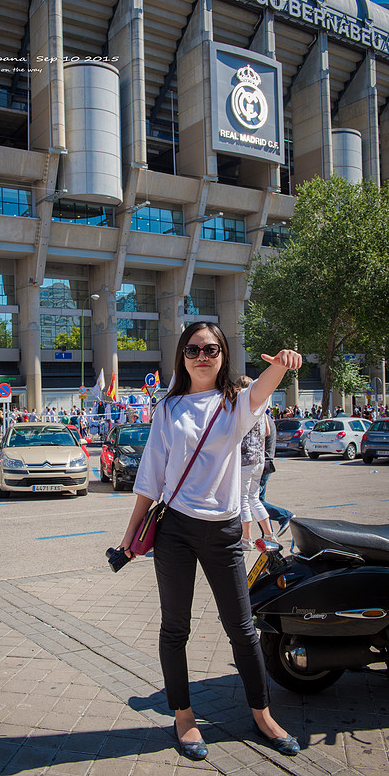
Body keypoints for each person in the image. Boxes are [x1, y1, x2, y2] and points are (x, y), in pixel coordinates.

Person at [119, 321, 302, 760]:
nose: (202, 355)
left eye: (212, 348)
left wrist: (283, 365)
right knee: (174, 628)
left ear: (223, 356)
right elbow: (151, 478)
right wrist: (129, 539)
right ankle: (183, 716)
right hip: (176, 530)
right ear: (182, 356)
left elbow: (263, 390)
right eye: (193, 348)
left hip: (223, 530)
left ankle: (262, 713)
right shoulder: (167, 408)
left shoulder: (235, 402)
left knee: (242, 629)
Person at [235, 375, 278, 551]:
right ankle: (268, 534)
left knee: (243, 499)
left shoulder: (242, 406)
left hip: (244, 459)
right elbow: (267, 431)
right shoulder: (262, 408)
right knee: (254, 498)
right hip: (259, 459)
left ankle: (246, 539)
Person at [260, 412, 294, 536]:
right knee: (258, 501)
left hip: (262, 465)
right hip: (265, 465)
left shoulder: (263, 420)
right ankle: (268, 535)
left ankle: (285, 516)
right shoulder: (267, 419)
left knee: (254, 502)